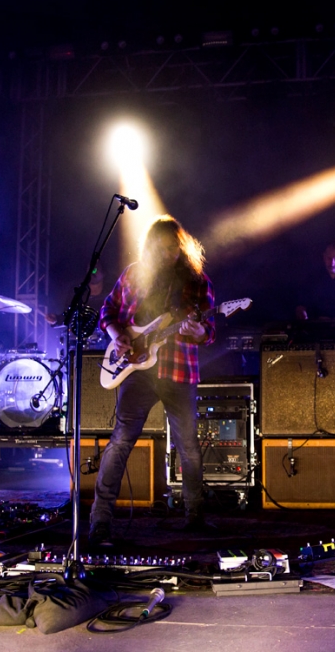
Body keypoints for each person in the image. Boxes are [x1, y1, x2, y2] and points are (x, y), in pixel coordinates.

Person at [89, 215, 215, 546]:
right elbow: (108, 312)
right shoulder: (134, 275)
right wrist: (118, 336)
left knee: (187, 444)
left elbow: (209, 333)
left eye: (172, 248)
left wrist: (199, 331)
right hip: (136, 371)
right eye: (160, 249)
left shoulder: (198, 283)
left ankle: (195, 516)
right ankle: (100, 521)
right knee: (121, 441)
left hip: (178, 371)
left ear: (182, 247)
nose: (166, 254)